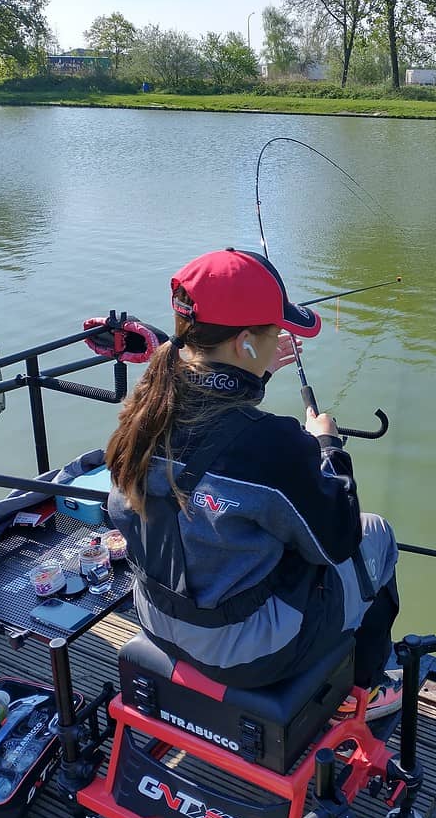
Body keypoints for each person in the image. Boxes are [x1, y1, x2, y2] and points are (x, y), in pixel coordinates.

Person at [105, 247, 402, 720]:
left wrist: (254, 371)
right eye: (274, 332)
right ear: (244, 341)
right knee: (376, 534)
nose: (281, 337)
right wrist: (328, 449)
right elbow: (337, 542)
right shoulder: (273, 444)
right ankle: (365, 686)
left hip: (157, 619)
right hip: (245, 654)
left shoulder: (145, 411)